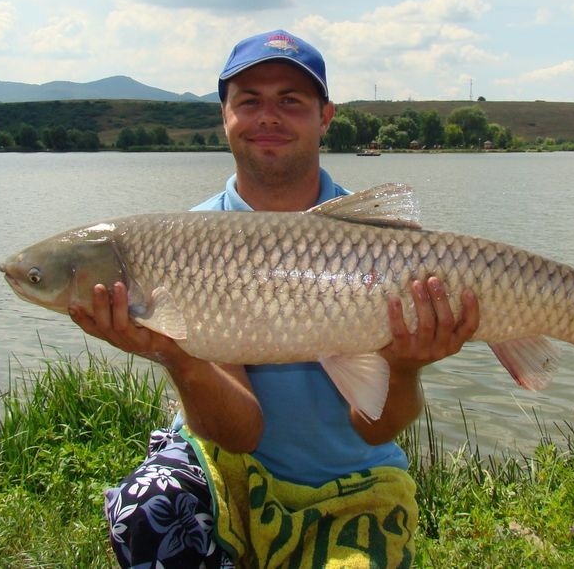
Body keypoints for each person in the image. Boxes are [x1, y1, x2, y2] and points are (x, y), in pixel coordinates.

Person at [69, 29, 480, 567]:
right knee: (144, 511)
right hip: (224, 465)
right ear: (225, 115)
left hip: (354, 477)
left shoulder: (375, 240)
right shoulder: (184, 243)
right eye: (249, 101)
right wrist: (173, 352)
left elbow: (377, 425)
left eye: (290, 100)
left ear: (325, 116)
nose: (269, 116)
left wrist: (403, 368)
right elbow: (241, 434)